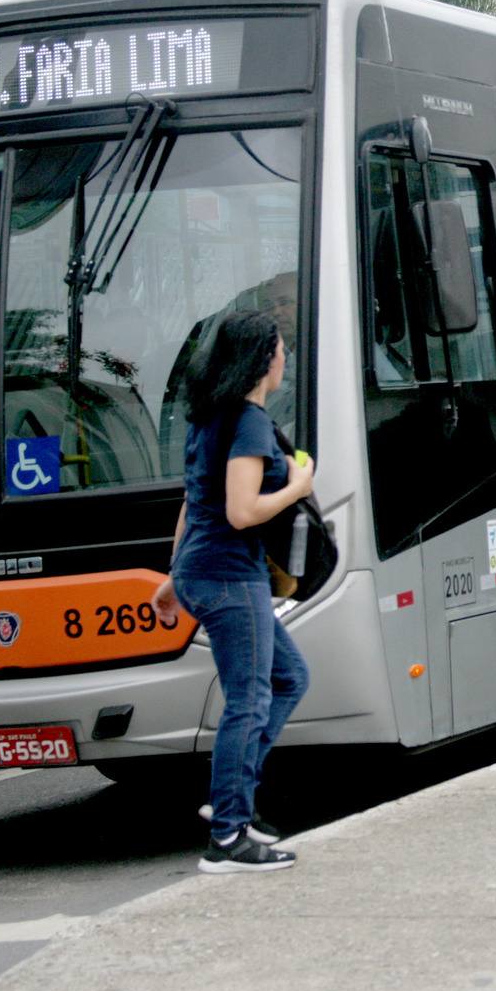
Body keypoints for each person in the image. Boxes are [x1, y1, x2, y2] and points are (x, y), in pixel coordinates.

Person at [152, 310, 316, 874]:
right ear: (260, 359)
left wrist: (176, 576)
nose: (285, 355)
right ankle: (227, 837)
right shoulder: (245, 419)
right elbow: (240, 511)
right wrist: (297, 485)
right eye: (278, 347)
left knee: (289, 677)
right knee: (249, 700)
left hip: (203, 568)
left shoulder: (208, 414)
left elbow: (192, 502)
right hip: (228, 574)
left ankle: (231, 798)